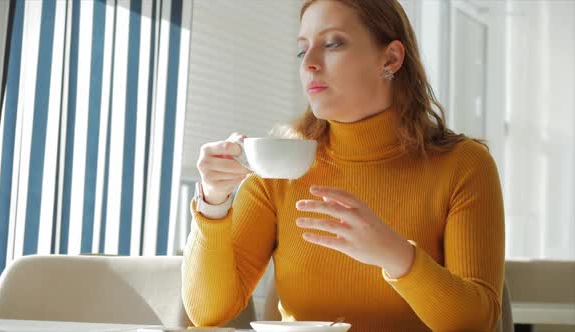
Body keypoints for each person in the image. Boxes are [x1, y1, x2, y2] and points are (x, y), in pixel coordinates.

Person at [182, 0, 505, 331]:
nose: (309, 63)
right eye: (302, 50)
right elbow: (208, 314)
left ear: (390, 59)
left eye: (333, 43)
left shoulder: (464, 165)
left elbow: (476, 322)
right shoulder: (281, 167)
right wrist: (214, 204)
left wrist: (396, 256)